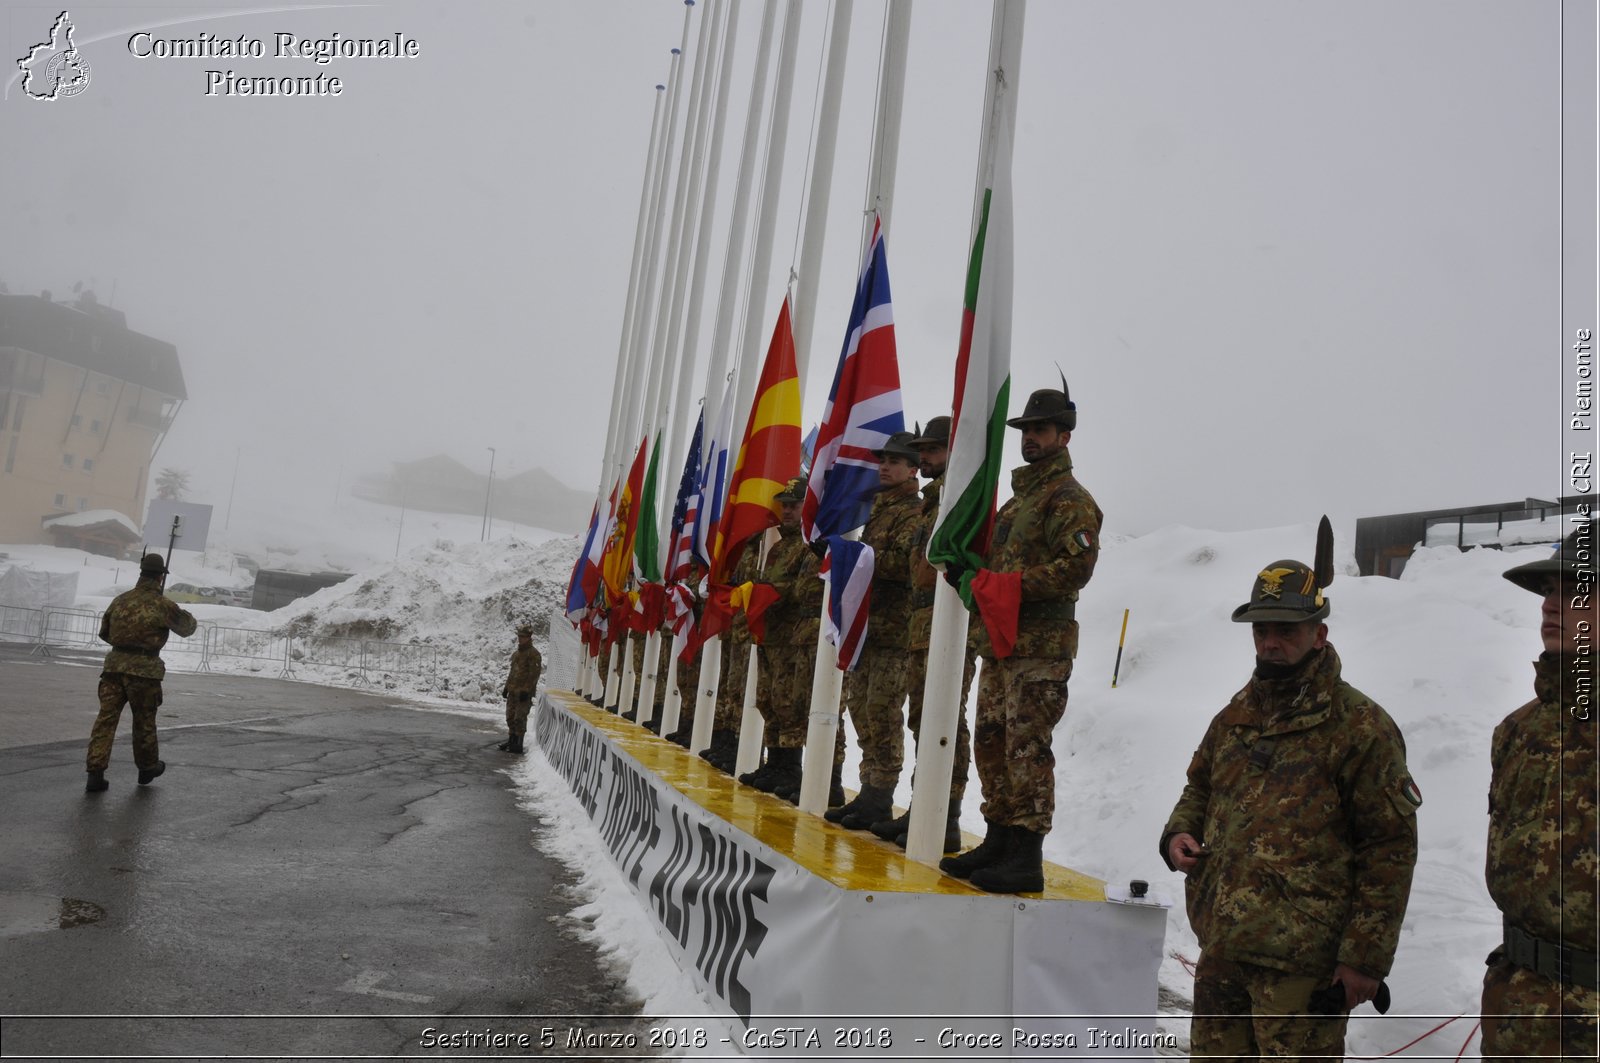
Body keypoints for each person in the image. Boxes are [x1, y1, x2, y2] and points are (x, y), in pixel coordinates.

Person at [1159, 524, 1420, 1059]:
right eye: (1261, 631)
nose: (1271, 643)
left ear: (1319, 634)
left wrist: (1365, 958)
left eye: (1285, 631)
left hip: (1303, 968)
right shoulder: (1237, 713)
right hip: (1224, 951)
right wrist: (1180, 830)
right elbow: (1201, 784)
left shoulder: (1360, 727)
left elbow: (1389, 848)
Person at [939, 385, 1101, 893]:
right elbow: (999, 564)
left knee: (1026, 748)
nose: (1030, 438)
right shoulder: (1018, 502)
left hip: (1040, 647)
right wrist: (973, 575)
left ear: (1064, 435)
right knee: (992, 742)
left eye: (1040, 429)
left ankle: (1026, 855)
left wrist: (1004, 587)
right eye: (1026, 430)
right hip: (1002, 643)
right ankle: (999, 838)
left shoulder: (1069, 498)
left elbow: (1076, 568)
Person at [1480, 522, 1598, 1059]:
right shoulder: (1519, 731)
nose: (1552, 604)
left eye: (1573, 589)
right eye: (1548, 590)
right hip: (1517, 1007)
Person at [870, 415, 975, 852]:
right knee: (922, 719)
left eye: (933, 450)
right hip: (920, 625)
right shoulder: (934, 503)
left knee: (947, 718)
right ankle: (924, 804)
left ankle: (944, 814)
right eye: (924, 450)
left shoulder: (960, 500)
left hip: (947, 624)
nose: (926, 457)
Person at [826, 431, 924, 831]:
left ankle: (880, 798)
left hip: (895, 631)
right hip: (870, 630)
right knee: (862, 710)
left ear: (913, 469)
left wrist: (857, 558)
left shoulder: (913, 512)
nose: (885, 466)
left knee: (882, 713)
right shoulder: (880, 511)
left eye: (895, 461)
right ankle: (869, 791)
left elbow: (906, 566)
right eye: (883, 459)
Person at [85, 552, 198, 792]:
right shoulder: (162, 605)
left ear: (141, 573)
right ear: (160, 577)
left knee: (105, 720)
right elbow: (187, 628)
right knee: (144, 721)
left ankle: (95, 772)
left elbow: (104, 632)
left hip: (113, 669)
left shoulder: (120, 600)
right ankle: (147, 769)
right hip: (145, 672)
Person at [740, 478, 821, 796]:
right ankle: (775, 762)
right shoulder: (777, 548)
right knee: (768, 700)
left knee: (789, 703)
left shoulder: (807, 545)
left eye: (794, 504)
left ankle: (789, 767)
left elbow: (801, 590)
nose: (787, 510)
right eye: (784, 505)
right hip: (771, 637)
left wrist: (764, 594)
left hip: (792, 637)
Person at [498, 622, 542, 754]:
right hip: (513, 691)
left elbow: (534, 675)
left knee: (520, 718)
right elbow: (512, 673)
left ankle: (518, 743)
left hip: (523, 693)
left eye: (523, 636)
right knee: (510, 717)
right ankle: (511, 740)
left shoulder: (533, 654)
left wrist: (527, 690)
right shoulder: (516, 654)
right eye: (519, 636)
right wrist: (506, 688)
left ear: (529, 637)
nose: (520, 638)